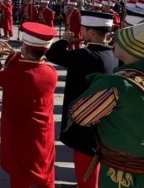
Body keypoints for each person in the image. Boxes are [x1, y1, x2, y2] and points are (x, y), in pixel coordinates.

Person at [68, 20, 144, 187]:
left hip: (126, 176)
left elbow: (80, 115)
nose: (113, 42)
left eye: (119, 41)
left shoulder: (116, 84)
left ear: (132, 49)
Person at [45, 10, 117, 188]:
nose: (81, 34)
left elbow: (52, 54)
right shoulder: (113, 55)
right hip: (104, 118)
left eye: (84, 31)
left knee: (86, 164)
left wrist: (65, 40)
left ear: (91, 32)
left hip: (85, 121)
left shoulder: (87, 55)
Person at [0, 22, 58, 188]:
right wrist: (14, 56)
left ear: (25, 49)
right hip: (43, 132)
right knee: (45, 171)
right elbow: (27, 68)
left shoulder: (17, 74)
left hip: (21, 133)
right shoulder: (51, 72)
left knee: (20, 175)